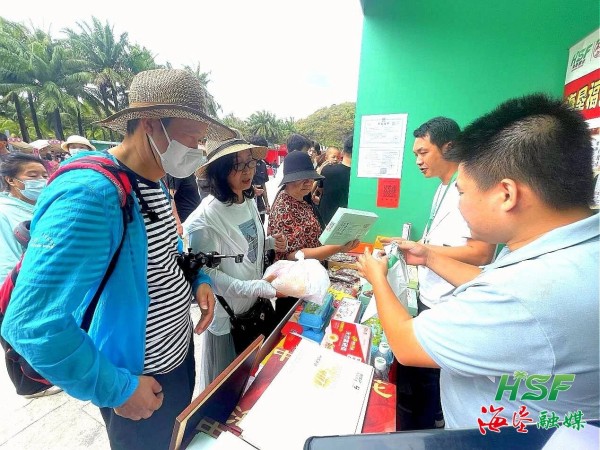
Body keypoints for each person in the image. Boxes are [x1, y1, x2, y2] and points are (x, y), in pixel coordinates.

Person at [1, 68, 235, 450]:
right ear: (150, 125)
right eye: (193, 137)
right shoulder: (92, 195)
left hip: (176, 358)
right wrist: (118, 389)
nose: (198, 150)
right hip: (137, 381)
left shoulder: (155, 179)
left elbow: (165, 249)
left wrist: (198, 279)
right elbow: (31, 324)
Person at [357, 93, 599, 429]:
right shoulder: (568, 249)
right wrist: (429, 256)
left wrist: (378, 278)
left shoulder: (522, 292)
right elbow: (490, 280)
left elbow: (406, 343)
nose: (460, 203)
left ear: (506, 194)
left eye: (463, 192)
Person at [387, 117, 496, 429]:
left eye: (423, 152)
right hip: (430, 296)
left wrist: (426, 253)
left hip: (451, 301)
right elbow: (439, 242)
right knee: (417, 383)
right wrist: (417, 247)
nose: (418, 161)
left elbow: (481, 253)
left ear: (448, 147)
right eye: (415, 155)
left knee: (427, 386)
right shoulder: (442, 187)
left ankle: (426, 431)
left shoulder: (470, 187)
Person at [183, 136, 286, 387]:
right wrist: (253, 287)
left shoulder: (246, 200)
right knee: (231, 388)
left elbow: (247, 245)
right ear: (219, 171)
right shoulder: (204, 219)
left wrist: (269, 242)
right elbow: (205, 274)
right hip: (229, 321)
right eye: (237, 165)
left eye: (250, 162)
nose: (247, 171)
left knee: (259, 381)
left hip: (256, 308)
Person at [0, 153, 48, 280]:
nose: (41, 181)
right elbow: (6, 262)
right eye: (33, 176)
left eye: (45, 176)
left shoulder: (45, 207)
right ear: (11, 180)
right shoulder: (4, 212)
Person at [313, 134, 354, 225]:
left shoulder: (326, 170)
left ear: (343, 152)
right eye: (333, 157)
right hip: (347, 221)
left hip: (325, 219)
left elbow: (320, 189)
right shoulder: (359, 177)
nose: (335, 159)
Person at [249, 135, 271, 224]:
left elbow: (263, 185)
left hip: (259, 203)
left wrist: (267, 204)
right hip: (247, 202)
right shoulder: (244, 163)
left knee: (261, 224)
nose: (264, 153)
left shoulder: (262, 165)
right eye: (261, 150)